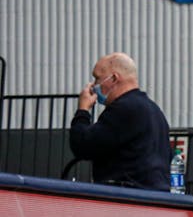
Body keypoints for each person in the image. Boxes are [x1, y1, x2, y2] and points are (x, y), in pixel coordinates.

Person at [70, 53, 171, 192]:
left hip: (128, 198)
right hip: (156, 197)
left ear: (113, 79)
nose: (93, 86)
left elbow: (82, 145)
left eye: (97, 78)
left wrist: (83, 110)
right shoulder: (154, 110)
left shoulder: (123, 109)